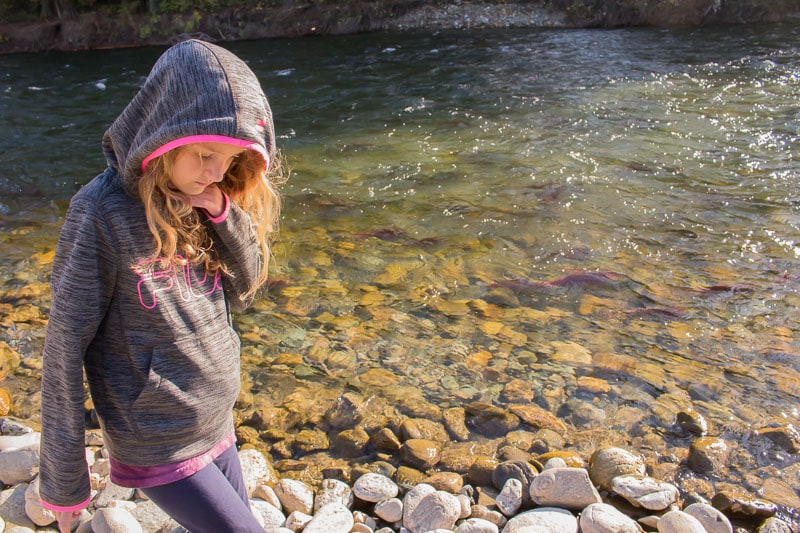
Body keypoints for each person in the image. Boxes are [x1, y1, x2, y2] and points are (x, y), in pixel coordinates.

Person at [38, 38, 284, 533]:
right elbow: (63, 344)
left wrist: (223, 214)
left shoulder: (204, 199)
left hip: (215, 420)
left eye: (231, 160)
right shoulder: (100, 212)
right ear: (164, 135)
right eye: (205, 154)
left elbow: (246, 286)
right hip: (157, 439)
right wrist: (63, 481)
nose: (216, 173)